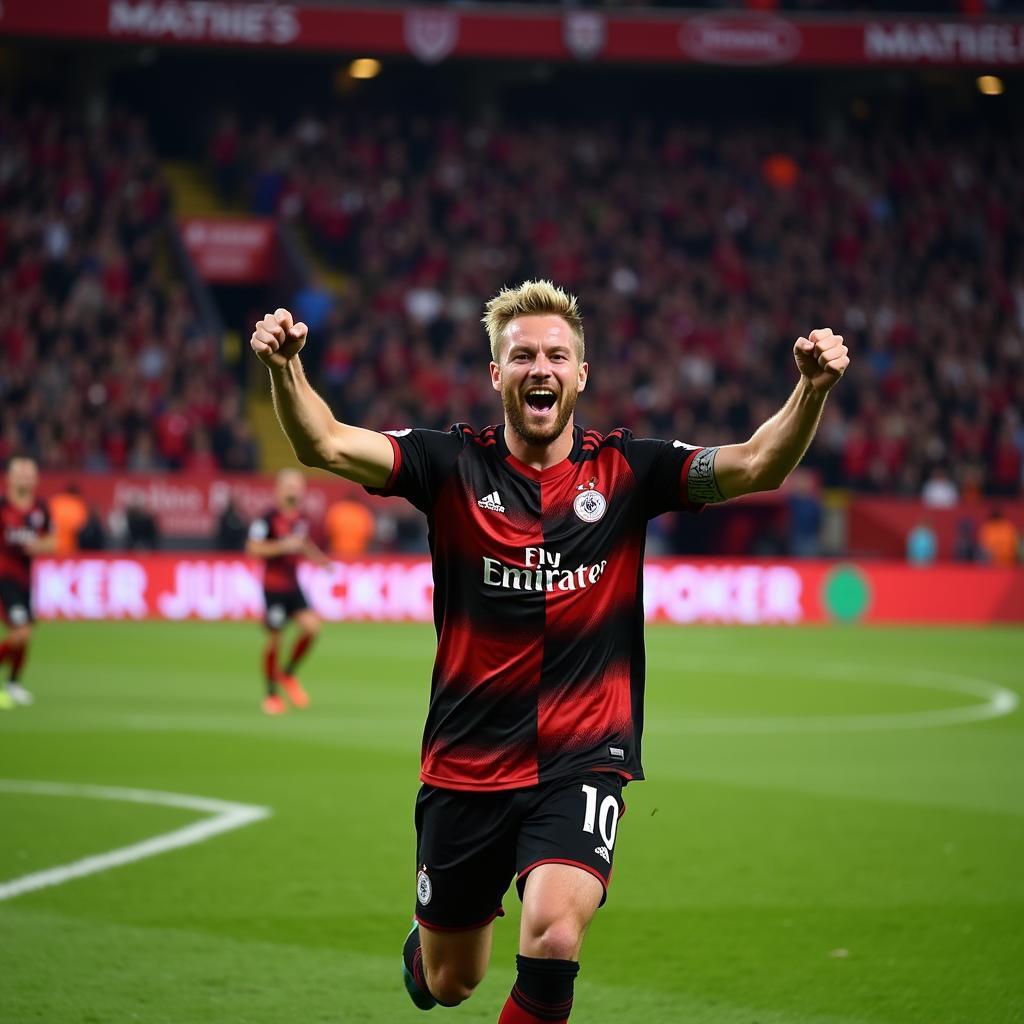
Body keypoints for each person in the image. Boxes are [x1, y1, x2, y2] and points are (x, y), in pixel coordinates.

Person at [249, 281, 850, 1023]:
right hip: (467, 764)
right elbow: (327, 442)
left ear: (581, 375)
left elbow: (759, 463)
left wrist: (811, 390)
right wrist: (285, 369)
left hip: (582, 758)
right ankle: (425, 947)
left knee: (555, 934)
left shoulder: (628, 472)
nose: (542, 367)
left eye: (558, 355)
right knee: (449, 981)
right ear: (496, 374)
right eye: (524, 354)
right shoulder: (447, 465)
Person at [246, 469, 331, 715]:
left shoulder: (301, 519)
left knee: (313, 627)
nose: (295, 490)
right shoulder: (267, 519)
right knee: (275, 639)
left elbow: (302, 543)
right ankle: (271, 695)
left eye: (298, 486)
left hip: (293, 586)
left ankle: (288, 673)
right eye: (290, 486)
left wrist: (320, 561)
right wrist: (283, 545)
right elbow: (253, 549)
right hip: (273, 587)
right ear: (279, 489)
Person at [0, 457, 57, 709]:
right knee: (21, 631)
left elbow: (53, 542)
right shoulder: (2, 506)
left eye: (29, 474)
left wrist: (39, 545)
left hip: (25, 578)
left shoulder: (40, 509)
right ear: (9, 478)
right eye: (19, 473)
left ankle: (13, 684)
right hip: (4, 576)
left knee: (26, 634)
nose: (25, 478)